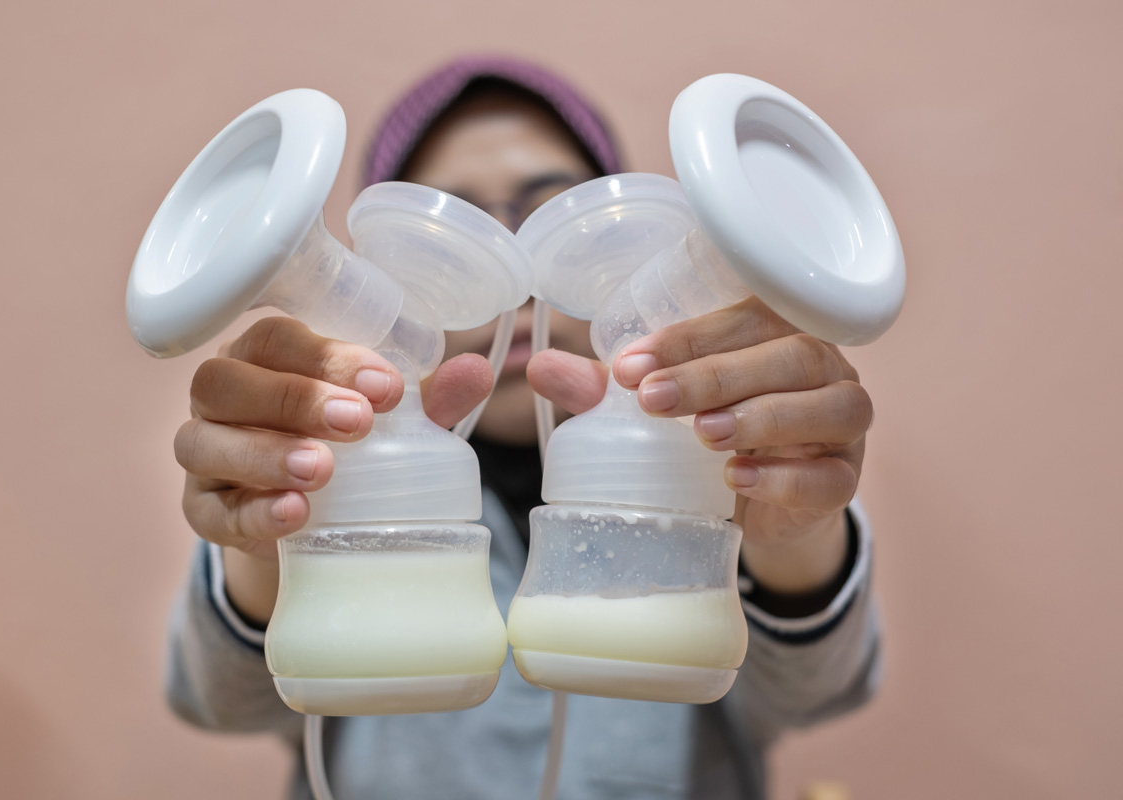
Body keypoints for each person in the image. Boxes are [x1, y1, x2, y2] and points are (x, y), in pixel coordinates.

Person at [165, 55, 880, 800]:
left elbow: (821, 692)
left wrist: (796, 536)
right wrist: (270, 532)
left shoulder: (721, 445)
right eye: (459, 229)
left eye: (551, 215)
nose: (513, 266)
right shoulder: (331, 451)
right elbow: (220, 699)